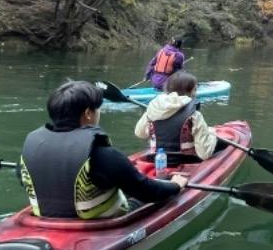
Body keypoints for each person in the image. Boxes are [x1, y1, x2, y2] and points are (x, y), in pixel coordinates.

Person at [20, 80, 188, 220]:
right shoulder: (104, 155)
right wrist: (175, 186)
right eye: (98, 109)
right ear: (88, 113)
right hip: (100, 220)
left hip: (44, 219)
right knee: (140, 196)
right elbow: (148, 192)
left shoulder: (31, 146)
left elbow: (24, 180)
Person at [134, 70, 222, 160]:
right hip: (187, 161)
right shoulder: (194, 115)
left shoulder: (153, 108)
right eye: (195, 89)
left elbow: (140, 133)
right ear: (190, 91)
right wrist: (212, 134)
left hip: (157, 159)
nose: (196, 93)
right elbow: (204, 154)